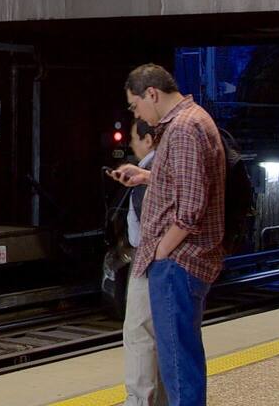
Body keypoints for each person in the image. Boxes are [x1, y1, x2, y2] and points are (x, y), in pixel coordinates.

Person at [112, 63, 225, 406]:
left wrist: (162, 250)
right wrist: (147, 177)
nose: (138, 114)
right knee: (178, 358)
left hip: (178, 261)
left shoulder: (185, 128)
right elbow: (183, 182)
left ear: (152, 93)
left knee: (178, 362)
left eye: (135, 106)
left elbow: (190, 207)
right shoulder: (191, 122)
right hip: (179, 261)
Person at [111, 119, 167, 406]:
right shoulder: (165, 168)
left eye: (134, 138)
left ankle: (140, 401)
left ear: (148, 139)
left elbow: (146, 231)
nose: (131, 144)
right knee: (162, 338)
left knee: (140, 335)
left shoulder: (152, 174)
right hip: (163, 264)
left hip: (149, 261)